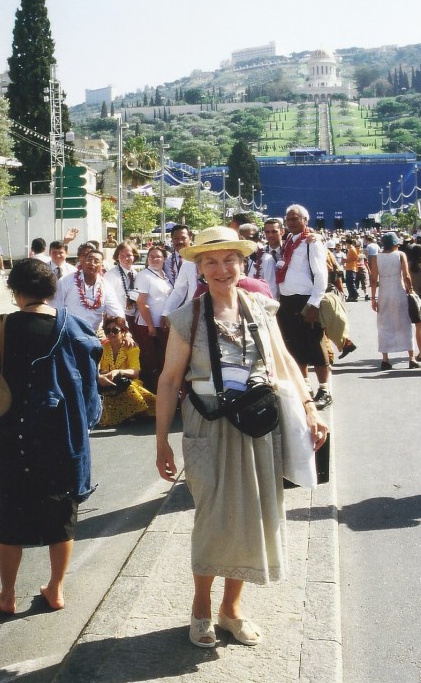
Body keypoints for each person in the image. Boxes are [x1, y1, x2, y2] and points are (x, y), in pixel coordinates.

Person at [155, 226, 328, 648]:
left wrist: (309, 408)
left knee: (254, 518)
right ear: (199, 268)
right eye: (210, 261)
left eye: (229, 259)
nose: (221, 268)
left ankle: (231, 610)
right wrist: (161, 440)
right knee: (213, 519)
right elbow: (169, 379)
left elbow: (285, 362)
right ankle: (200, 609)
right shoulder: (187, 318)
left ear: (242, 263)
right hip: (207, 428)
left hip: (258, 428)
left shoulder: (262, 308)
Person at [0, 258, 103, 615]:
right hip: (63, 433)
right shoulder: (75, 325)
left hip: (17, 433)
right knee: (62, 511)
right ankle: (55, 590)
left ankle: (7, 595)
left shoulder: (3, 325)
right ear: (52, 290)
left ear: (16, 291)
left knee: (13, 510)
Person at [276, 204, 332, 409]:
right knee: (295, 346)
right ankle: (305, 387)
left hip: (307, 300)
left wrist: (314, 304)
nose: (291, 222)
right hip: (287, 300)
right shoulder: (290, 240)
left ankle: (324, 389)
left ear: (305, 220)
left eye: (295, 219)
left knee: (315, 345)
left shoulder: (312, 242)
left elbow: (321, 275)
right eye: (288, 219)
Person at [370, 232, 419, 370]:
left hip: (384, 293)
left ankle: (385, 359)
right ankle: (411, 358)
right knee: (404, 322)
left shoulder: (376, 258)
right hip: (399, 291)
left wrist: (373, 298)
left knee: (383, 324)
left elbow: (374, 280)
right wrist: (411, 290)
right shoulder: (400, 255)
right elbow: (406, 276)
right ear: (395, 244)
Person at [97, 316, 156, 427]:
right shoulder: (102, 348)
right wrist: (102, 374)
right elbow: (98, 367)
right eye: (107, 331)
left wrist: (118, 372)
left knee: (130, 388)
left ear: (123, 332)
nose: (111, 333)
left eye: (115, 330)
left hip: (128, 382)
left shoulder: (132, 348)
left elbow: (135, 372)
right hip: (106, 383)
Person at [53, 248, 125, 333]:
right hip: (69, 332)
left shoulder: (106, 286)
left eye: (96, 261)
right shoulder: (66, 281)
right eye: (89, 260)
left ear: (102, 266)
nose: (92, 263)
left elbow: (116, 311)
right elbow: (56, 307)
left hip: (94, 334)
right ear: (83, 262)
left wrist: (125, 331)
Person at [134, 243, 172, 392]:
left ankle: (163, 391)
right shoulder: (144, 276)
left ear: (164, 259)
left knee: (163, 359)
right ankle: (152, 394)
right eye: (151, 257)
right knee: (151, 361)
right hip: (147, 325)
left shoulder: (164, 275)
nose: (155, 259)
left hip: (162, 324)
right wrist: (150, 326)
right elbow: (141, 302)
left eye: (158, 256)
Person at [104, 241, 140, 333]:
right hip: (117, 318)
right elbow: (106, 300)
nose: (125, 258)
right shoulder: (111, 275)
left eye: (128, 255)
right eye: (122, 255)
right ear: (117, 256)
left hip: (133, 316)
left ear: (134, 256)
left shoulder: (135, 273)